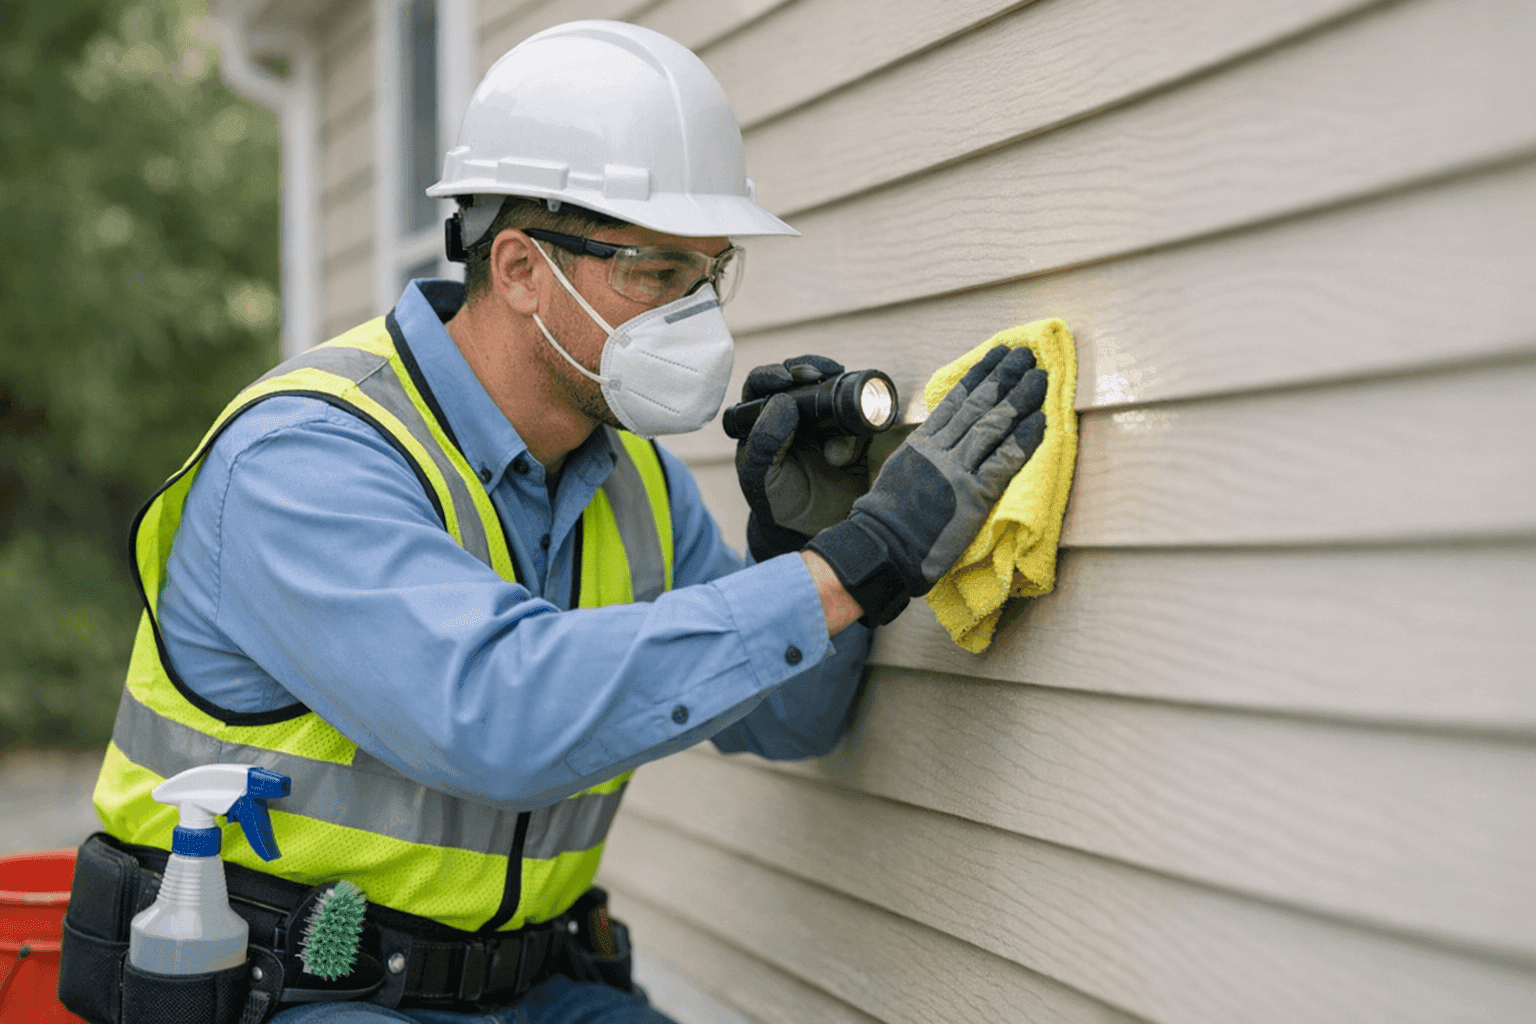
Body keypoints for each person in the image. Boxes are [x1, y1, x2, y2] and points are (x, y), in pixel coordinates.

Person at [71, 19, 1047, 1024]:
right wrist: (854, 564)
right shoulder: (306, 458)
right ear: (521, 268)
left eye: (709, 275)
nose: (699, 319)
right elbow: (500, 711)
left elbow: (793, 718)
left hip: (530, 990)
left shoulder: (636, 485)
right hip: (291, 991)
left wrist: (798, 546)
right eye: (656, 275)